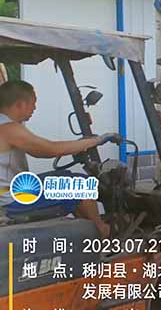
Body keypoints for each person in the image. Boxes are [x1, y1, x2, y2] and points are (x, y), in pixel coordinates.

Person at [0, 80, 116, 237]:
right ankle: (102, 231)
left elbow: (40, 149)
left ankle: (88, 231)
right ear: (20, 104)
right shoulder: (9, 129)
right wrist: (97, 140)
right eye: (33, 103)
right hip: (13, 199)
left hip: (11, 191)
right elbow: (50, 149)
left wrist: (81, 144)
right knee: (81, 185)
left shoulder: (6, 125)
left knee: (66, 177)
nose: (35, 108)